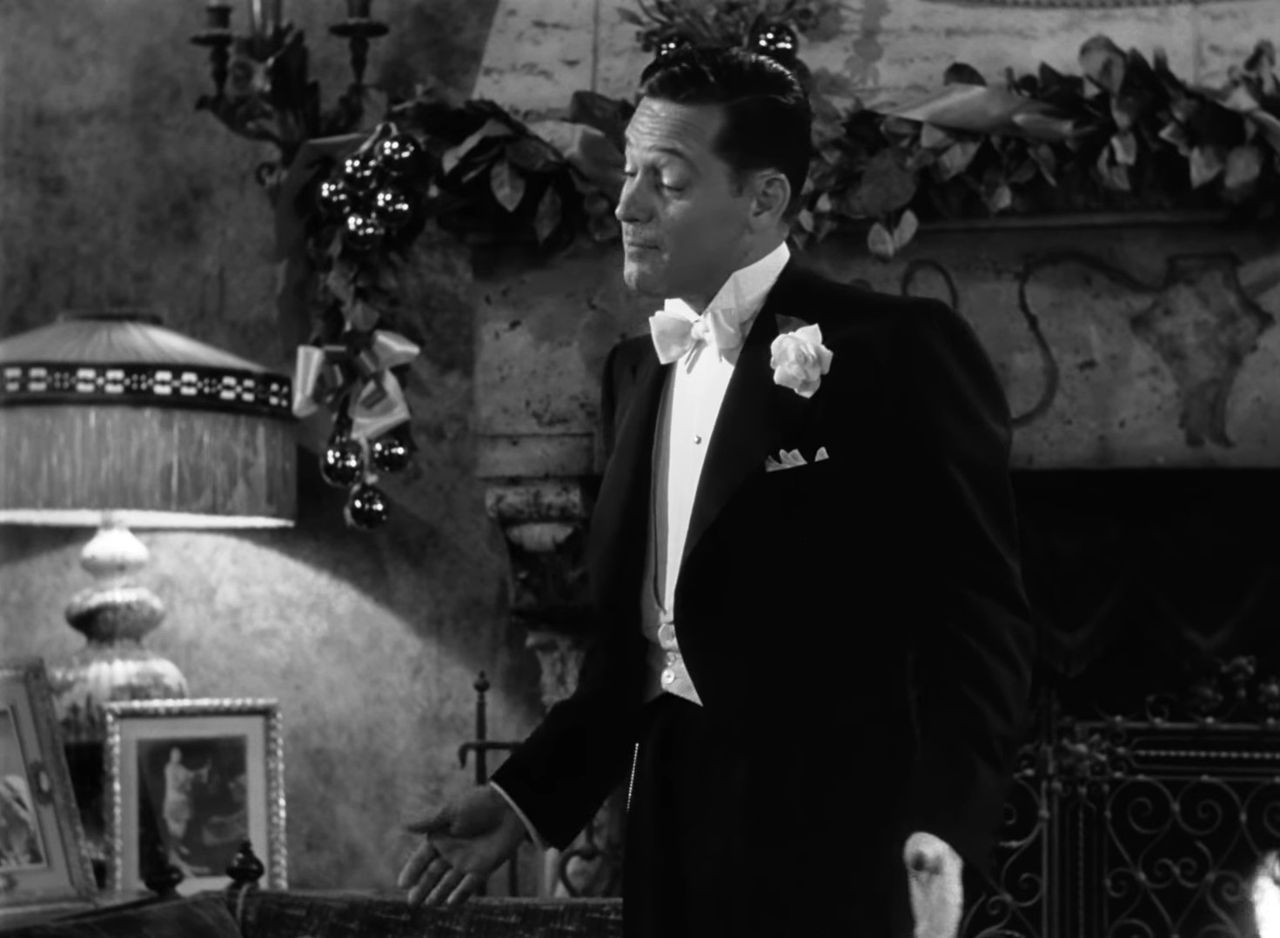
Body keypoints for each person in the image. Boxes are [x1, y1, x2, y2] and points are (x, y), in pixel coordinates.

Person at [398, 45, 1035, 938]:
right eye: (628, 173)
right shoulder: (633, 373)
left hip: (844, 859)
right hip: (668, 842)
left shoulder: (900, 351)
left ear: (764, 200)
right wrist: (523, 799)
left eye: (666, 180)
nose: (627, 204)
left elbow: (979, 627)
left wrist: (944, 830)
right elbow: (636, 656)